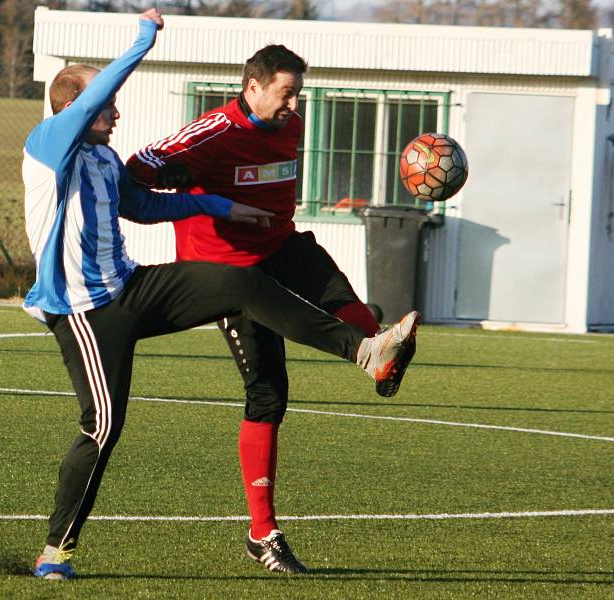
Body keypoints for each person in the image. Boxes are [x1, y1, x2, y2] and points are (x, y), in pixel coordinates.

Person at [23, 9, 418, 580]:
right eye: (105, 105)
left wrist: (216, 205)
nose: (115, 112)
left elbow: (146, 206)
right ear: (74, 109)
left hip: (132, 287)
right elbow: (92, 101)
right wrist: (142, 39)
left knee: (240, 283)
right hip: (87, 312)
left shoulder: (104, 160)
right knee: (103, 427)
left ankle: (364, 351)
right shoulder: (47, 146)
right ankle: (55, 551)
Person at [126, 44, 420, 573]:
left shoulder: (292, 125)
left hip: (282, 245)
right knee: (268, 392)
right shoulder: (212, 133)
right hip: (230, 275)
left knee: (347, 301)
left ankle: (382, 360)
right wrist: (195, 199)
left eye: (297, 96)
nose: (293, 106)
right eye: (285, 94)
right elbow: (140, 168)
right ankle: (262, 533)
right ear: (252, 87)